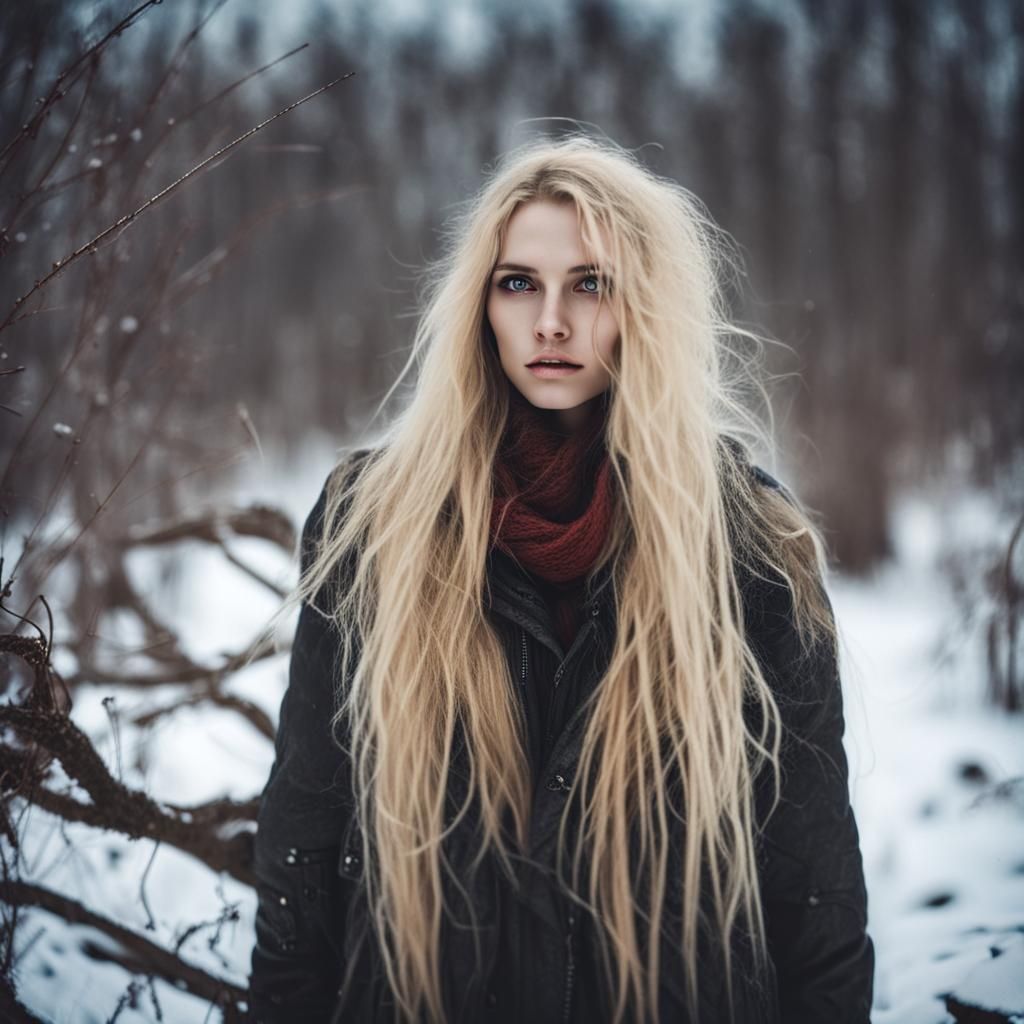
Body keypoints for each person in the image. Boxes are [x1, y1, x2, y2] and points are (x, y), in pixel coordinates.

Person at [247, 134, 874, 1024]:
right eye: (519, 283)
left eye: (591, 283)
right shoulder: (375, 523)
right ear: (480, 305)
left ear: (641, 305)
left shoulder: (747, 541)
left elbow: (816, 883)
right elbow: (304, 839)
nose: (551, 321)